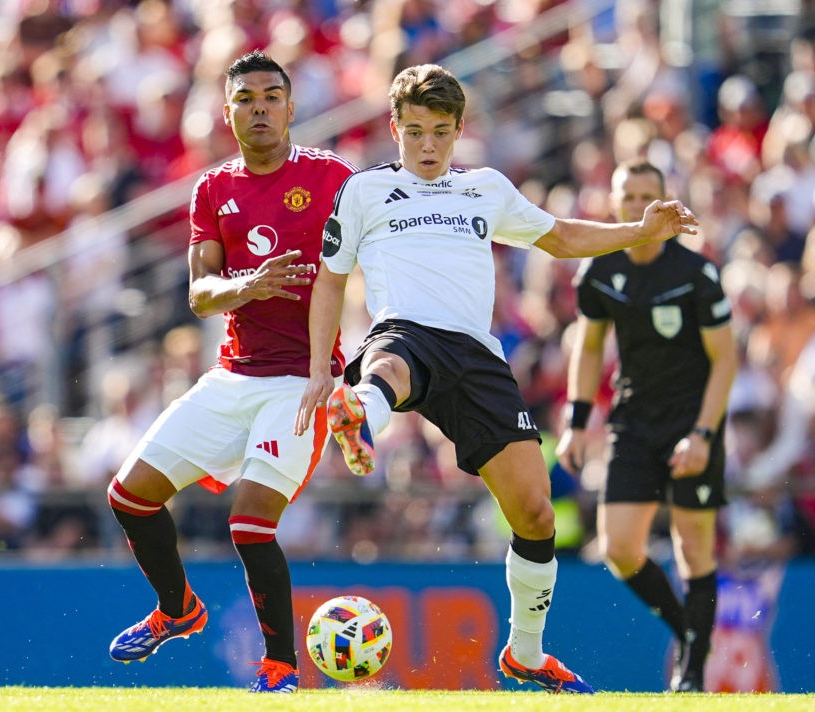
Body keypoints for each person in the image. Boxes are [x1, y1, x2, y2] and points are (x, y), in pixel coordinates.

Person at [293, 64, 699, 695]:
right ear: (394, 128)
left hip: (479, 359)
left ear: (458, 132)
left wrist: (639, 231)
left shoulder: (485, 188)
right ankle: (359, 414)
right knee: (391, 365)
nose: (427, 146)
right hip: (405, 329)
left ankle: (526, 653)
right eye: (415, 132)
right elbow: (331, 278)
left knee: (536, 515)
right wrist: (322, 364)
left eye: (440, 133)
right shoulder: (365, 192)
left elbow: (560, 237)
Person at [105, 50, 356, 693]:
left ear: (292, 107)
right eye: (246, 99)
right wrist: (249, 284)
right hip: (232, 375)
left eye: (272, 96)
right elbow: (199, 293)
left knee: (249, 522)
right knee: (129, 496)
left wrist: (359, 383)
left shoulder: (334, 178)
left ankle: (279, 666)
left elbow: (371, 265)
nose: (260, 107)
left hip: (300, 381)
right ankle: (178, 609)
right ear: (228, 113)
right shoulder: (213, 188)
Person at [555, 160, 737, 692]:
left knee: (694, 548)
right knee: (619, 548)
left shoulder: (695, 272)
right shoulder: (599, 269)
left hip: (692, 421)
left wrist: (703, 435)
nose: (637, 206)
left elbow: (725, 361)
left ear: (666, 203)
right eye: (628, 196)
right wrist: (576, 422)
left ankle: (693, 675)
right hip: (633, 422)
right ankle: (688, 634)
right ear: (614, 204)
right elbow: (588, 346)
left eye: (647, 196)